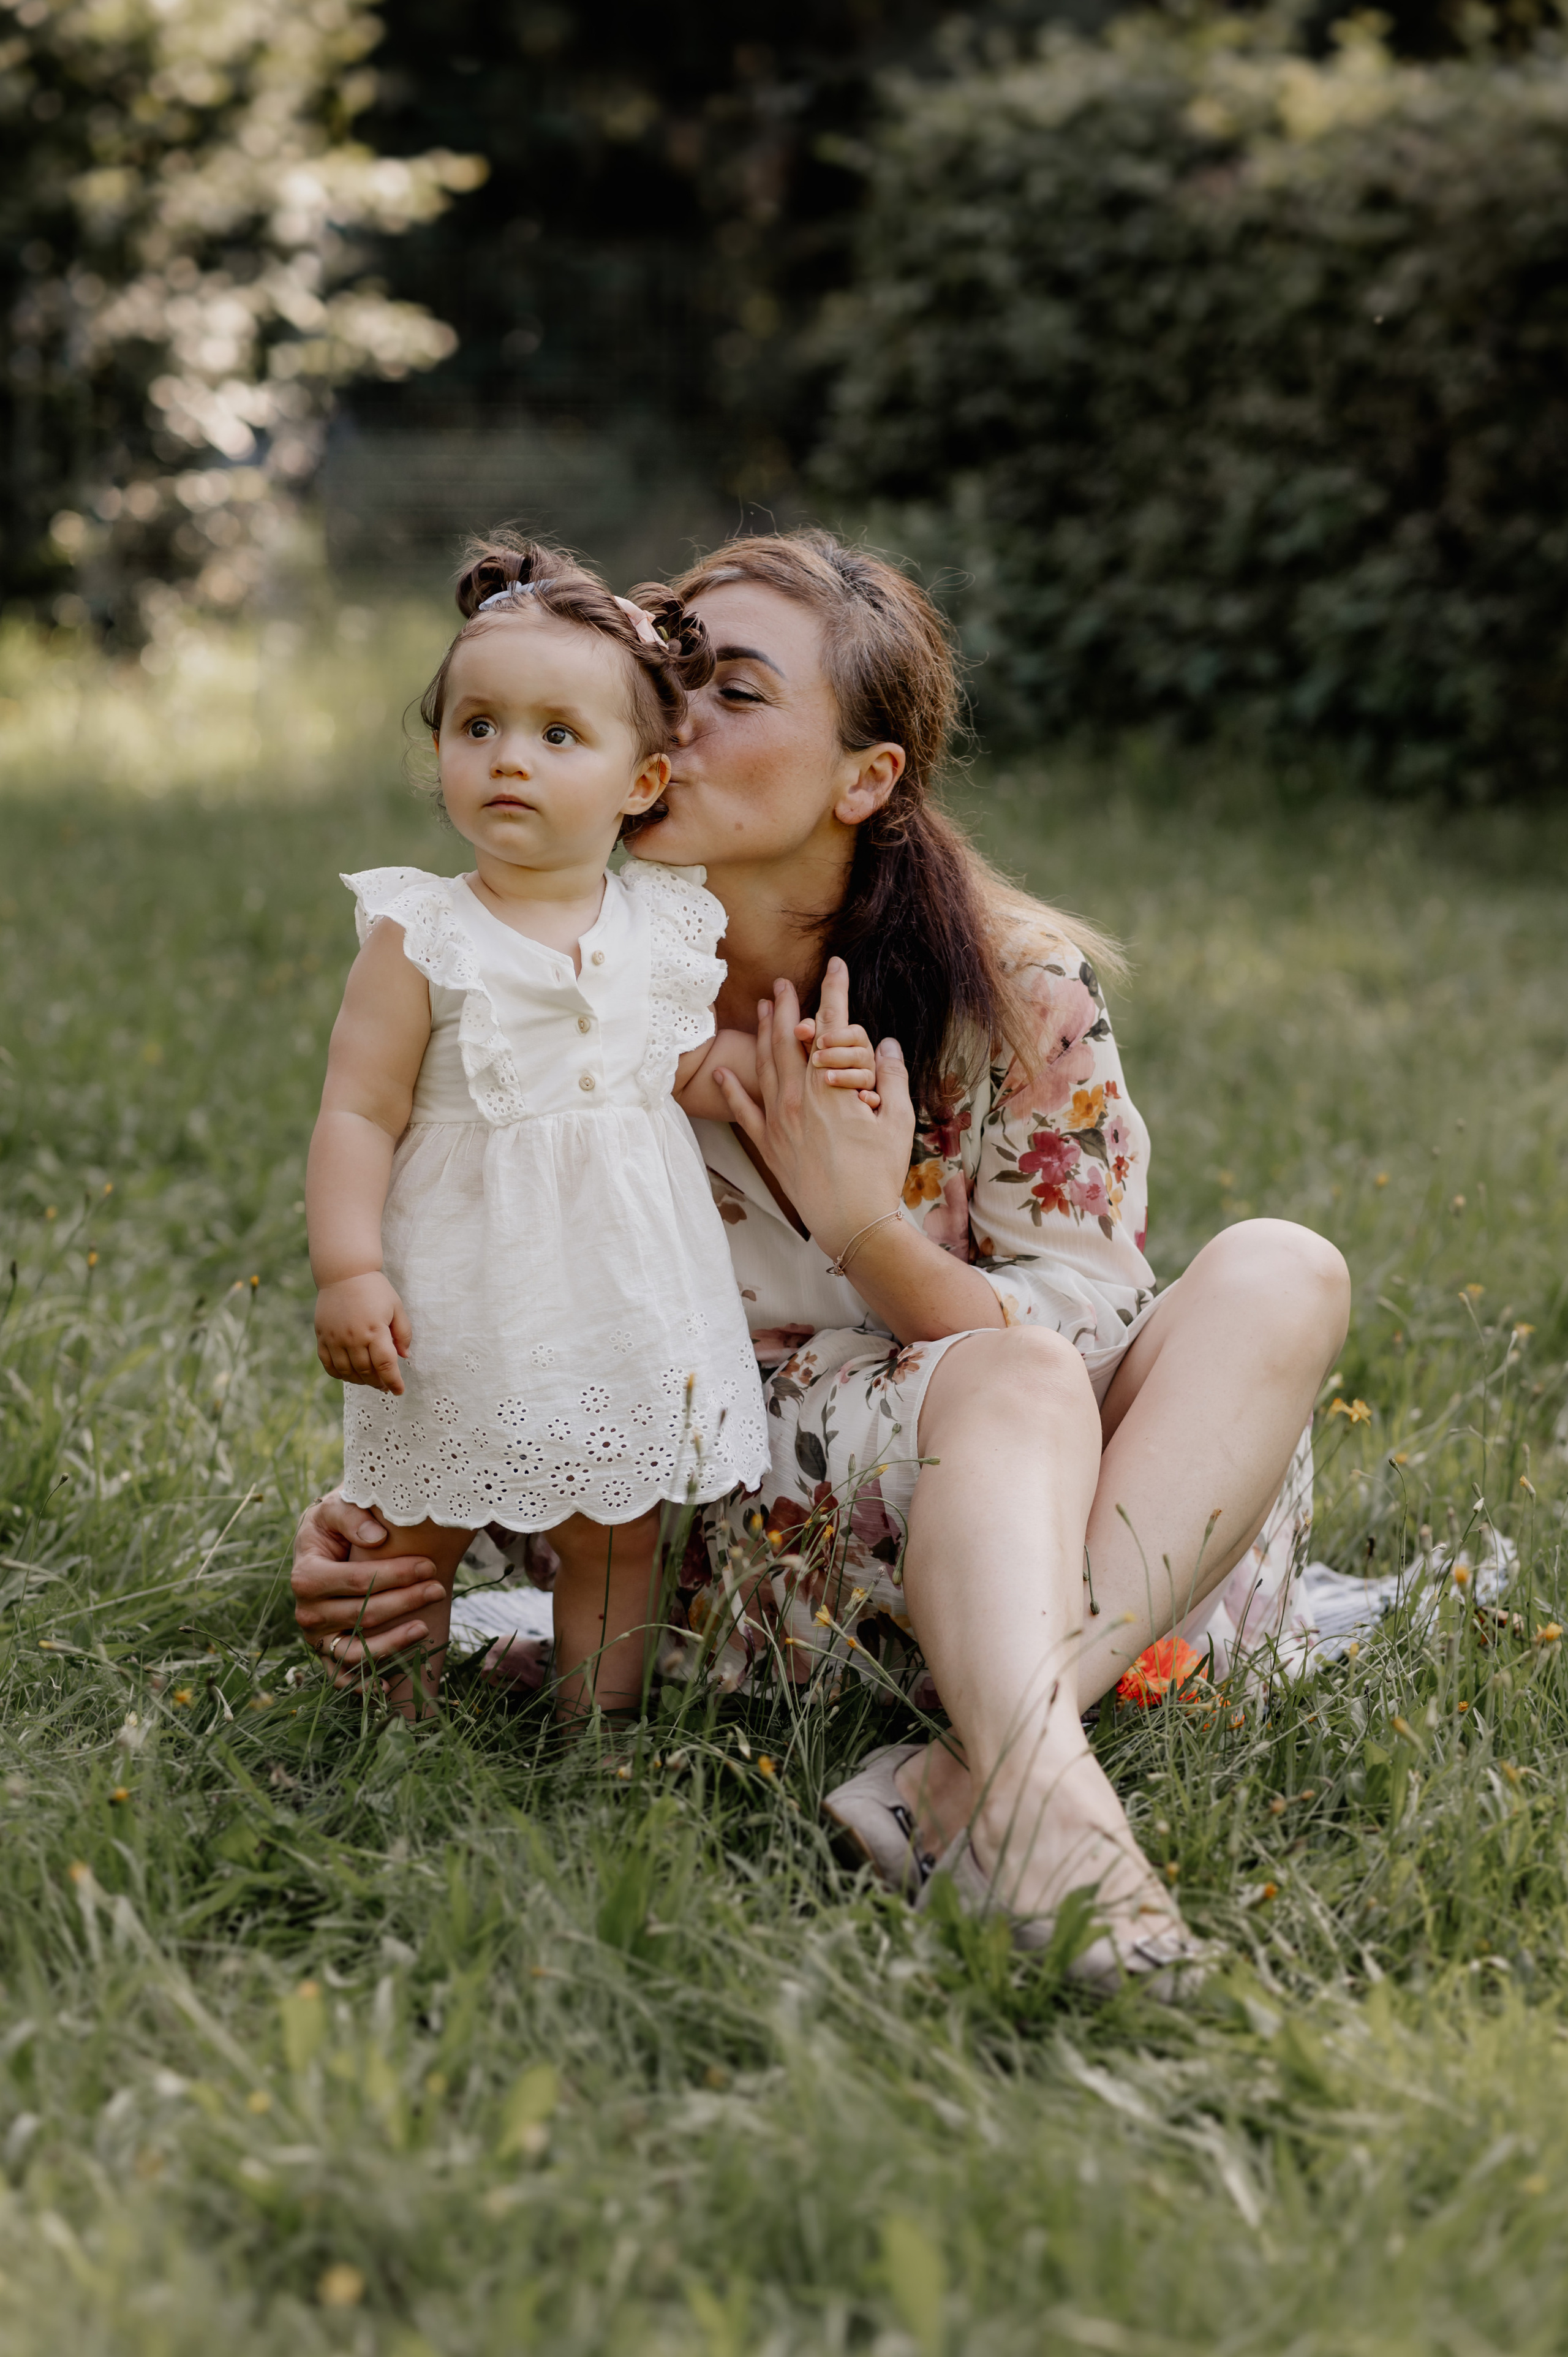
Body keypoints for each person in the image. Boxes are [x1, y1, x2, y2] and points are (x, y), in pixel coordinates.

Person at [293, 529, 1349, 1989]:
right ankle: (1040, 1806)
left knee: (1279, 1268)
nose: (673, 715)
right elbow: (492, 1292)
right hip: (769, 1543)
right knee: (1001, 1382)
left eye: (727, 688)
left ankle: (970, 1776)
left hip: (1074, 1529)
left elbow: (1089, 1327)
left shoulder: (1013, 989)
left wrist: (865, 1229)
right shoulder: (557, 995)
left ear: (865, 780)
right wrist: (379, 1524)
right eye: (664, 674)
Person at [304, 531, 880, 1711]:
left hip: (625, 1288)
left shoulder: (659, 925)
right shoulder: (424, 934)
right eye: (478, 728)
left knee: (617, 1534)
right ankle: (389, 1722)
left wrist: (790, 1069)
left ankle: (597, 1734)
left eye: (558, 736)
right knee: (422, 1515)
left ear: (641, 783)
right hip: (462, 1285)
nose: (510, 761)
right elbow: (359, 1111)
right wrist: (350, 1267)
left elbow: (677, 1064)